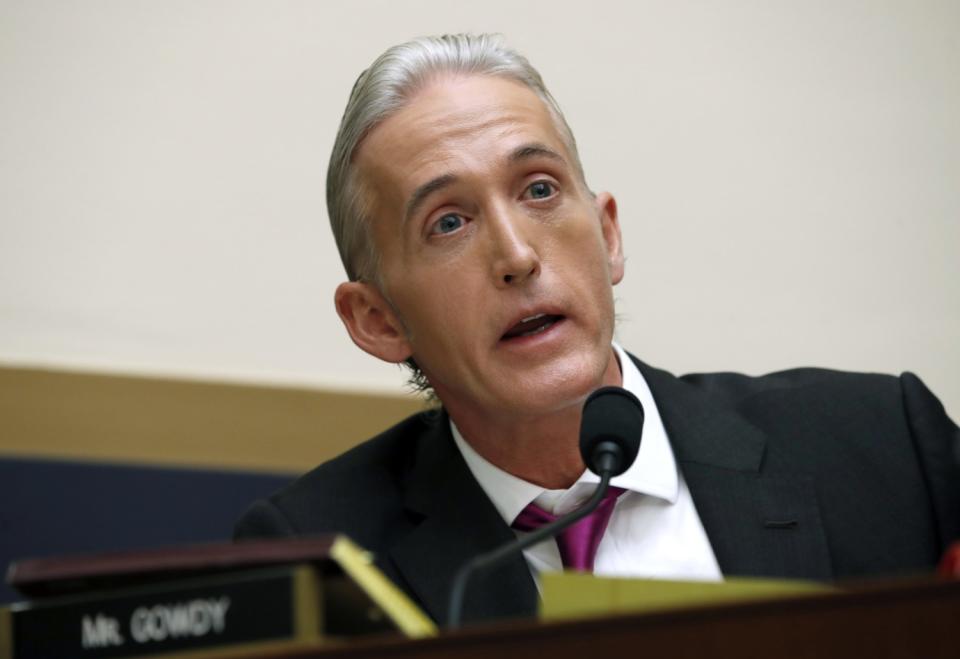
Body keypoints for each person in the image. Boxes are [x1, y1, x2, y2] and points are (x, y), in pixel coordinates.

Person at [235, 33, 959, 625]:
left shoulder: (885, 449)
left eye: (540, 189)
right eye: (448, 222)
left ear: (608, 235)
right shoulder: (322, 567)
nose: (517, 256)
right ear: (379, 319)